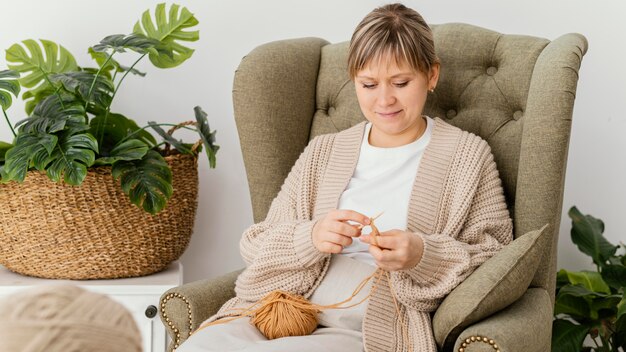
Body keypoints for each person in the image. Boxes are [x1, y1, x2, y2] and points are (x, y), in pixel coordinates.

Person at [178, 3, 513, 351]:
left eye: (400, 82)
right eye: (368, 84)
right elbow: (257, 243)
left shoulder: (467, 155)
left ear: (431, 75)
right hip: (285, 307)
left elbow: (494, 257)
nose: (384, 99)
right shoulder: (325, 151)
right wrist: (311, 237)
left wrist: (421, 254)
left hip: (371, 321)